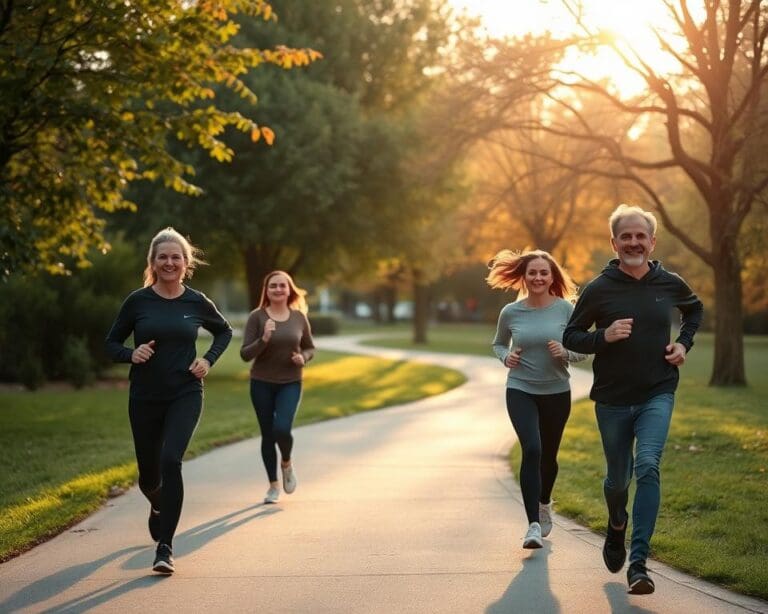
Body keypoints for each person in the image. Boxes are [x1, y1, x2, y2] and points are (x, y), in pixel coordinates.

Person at [563, 204, 703, 595]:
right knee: (616, 480)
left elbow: (695, 310)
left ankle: (639, 565)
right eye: (626, 236)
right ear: (615, 242)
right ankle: (616, 523)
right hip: (611, 399)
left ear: (652, 241)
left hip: (658, 391)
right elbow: (570, 336)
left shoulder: (668, 283)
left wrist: (683, 345)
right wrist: (602, 337)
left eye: (641, 236)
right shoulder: (598, 289)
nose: (634, 242)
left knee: (648, 466)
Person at [105, 228, 232, 574]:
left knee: (170, 460)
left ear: (186, 263)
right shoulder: (138, 301)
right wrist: (132, 354)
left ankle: (165, 547)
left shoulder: (197, 301)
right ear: (153, 262)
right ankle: (158, 505)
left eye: (176, 256)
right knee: (149, 478)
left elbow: (224, 331)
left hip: (185, 392)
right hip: (144, 396)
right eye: (163, 256)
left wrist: (208, 359)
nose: (169, 262)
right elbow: (110, 344)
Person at [488, 249, 587, 549]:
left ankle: (544, 503)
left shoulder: (565, 310)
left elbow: (584, 349)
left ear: (552, 276)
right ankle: (532, 525)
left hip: (557, 391)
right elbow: (497, 343)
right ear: (524, 277)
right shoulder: (511, 312)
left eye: (544, 272)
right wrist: (507, 356)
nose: (538, 277)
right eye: (532, 272)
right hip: (520, 389)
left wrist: (566, 352)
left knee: (549, 457)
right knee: (532, 448)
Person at [240, 271, 315, 504]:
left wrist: (303, 357)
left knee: (282, 428)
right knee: (267, 434)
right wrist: (263, 339)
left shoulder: (299, 317)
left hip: (290, 381)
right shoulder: (257, 317)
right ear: (267, 290)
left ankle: (287, 463)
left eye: (282, 285)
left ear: (289, 289)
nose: (278, 289)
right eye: (273, 286)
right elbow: (244, 354)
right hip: (261, 382)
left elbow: (310, 347)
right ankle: (273, 486)